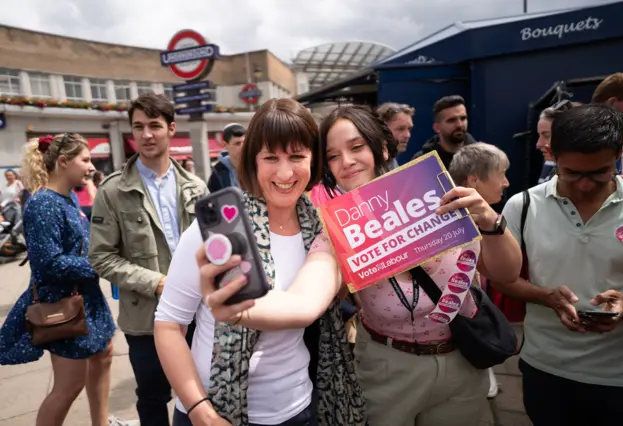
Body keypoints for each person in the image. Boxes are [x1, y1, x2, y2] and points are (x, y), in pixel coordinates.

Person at [202, 106, 522, 426]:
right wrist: (241, 308)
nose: (347, 162)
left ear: (382, 147)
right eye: (333, 156)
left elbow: (506, 274)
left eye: (357, 147)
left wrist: (492, 222)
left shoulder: (440, 193)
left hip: (463, 361)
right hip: (385, 368)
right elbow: (305, 301)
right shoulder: (337, 228)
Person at [154, 98, 366, 426]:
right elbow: (169, 324)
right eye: (271, 157)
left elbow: (308, 304)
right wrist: (199, 409)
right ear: (253, 161)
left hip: (300, 408)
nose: (284, 172)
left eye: (297, 156)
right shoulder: (218, 231)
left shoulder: (323, 230)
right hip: (214, 412)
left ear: (314, 160)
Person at [494, 104, 623, 425]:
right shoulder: (523, 206)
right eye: (571, 172)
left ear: (620, 152)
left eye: (601, 171)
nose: (585, 185)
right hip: (546, 369)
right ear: (552, 154)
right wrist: (546, 296)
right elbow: (502, 280)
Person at [89, 93, 208, 426]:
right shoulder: (112, 191)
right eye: (138, 127)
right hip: (145, 320)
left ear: (171, 129)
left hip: (199, 315)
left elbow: (215, 246)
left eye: (154, 126)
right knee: (153, 397)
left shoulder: (196, 188)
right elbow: (101, 256)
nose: (146, 134)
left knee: (202, 394)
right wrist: (155, 283)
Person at [0, 134, 128, 426]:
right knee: (69, 386)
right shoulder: (43, 203)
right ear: (63, 162)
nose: (90, 167)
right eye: (85, 160)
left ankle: (102, 423)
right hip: (63, 305)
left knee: (104, 355)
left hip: (85, 298)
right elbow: (49, 263)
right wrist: (99, 265)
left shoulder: (67, 196)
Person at [449, 142, 510, 399]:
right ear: (474, 180)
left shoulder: (484, 218)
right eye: (501, 174)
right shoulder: (460, 222)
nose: (506, 182)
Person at [412, 95, 477, 168]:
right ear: (437, 128)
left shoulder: (483, 158)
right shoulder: (421, 162)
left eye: (463, 118)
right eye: (451, 120)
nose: (459, 124)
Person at [207, 123, 245, 193]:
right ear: (225, 145)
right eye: (237, 143)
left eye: (245, 143)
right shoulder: (217, 173)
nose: (243, 147)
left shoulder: (256, 166)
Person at [376, 102, 414, 168]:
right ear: (382, 129)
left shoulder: (392, 160)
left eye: (409, 129)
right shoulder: (372, 166)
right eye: (400, 129)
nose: (408, 135)